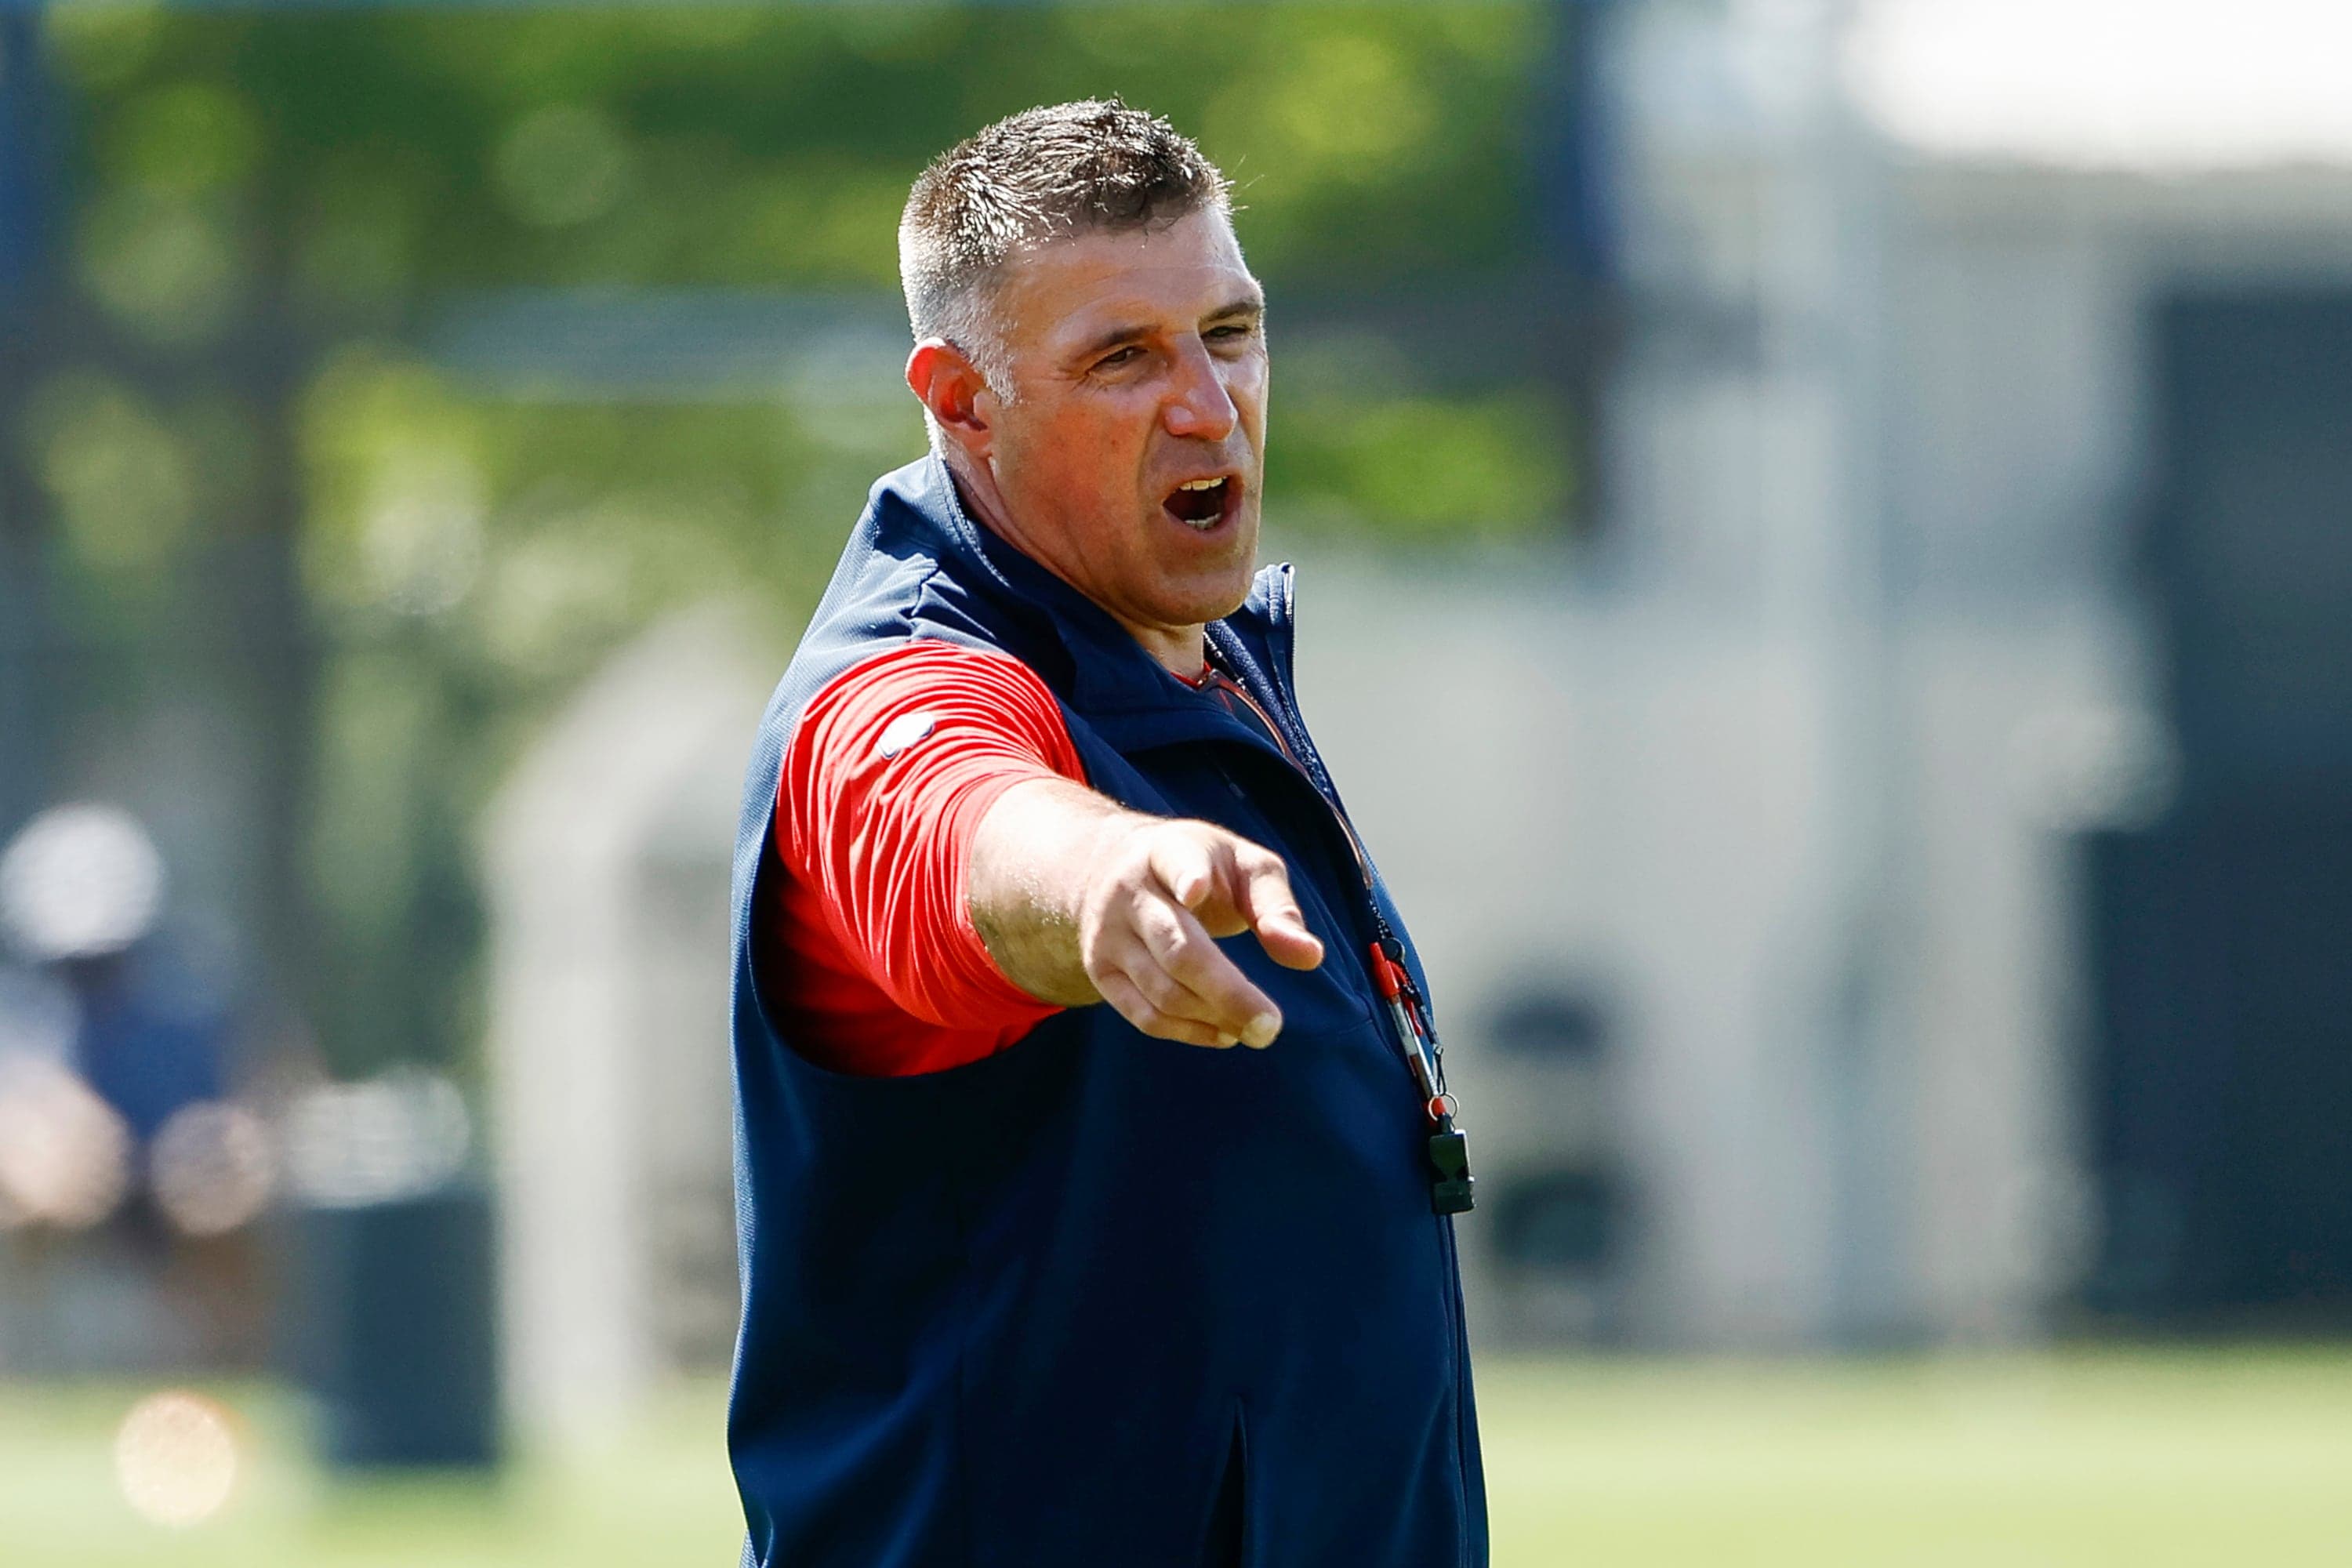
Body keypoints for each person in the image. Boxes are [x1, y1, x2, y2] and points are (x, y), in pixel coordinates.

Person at [727, 100, 1486, 1568]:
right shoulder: (894, 688)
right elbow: (948, 816)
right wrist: (1097, 877)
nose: (1208, 403)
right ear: (960, 403)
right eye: (1123, 359)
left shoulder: (1193, 656)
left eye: (1232, 331)